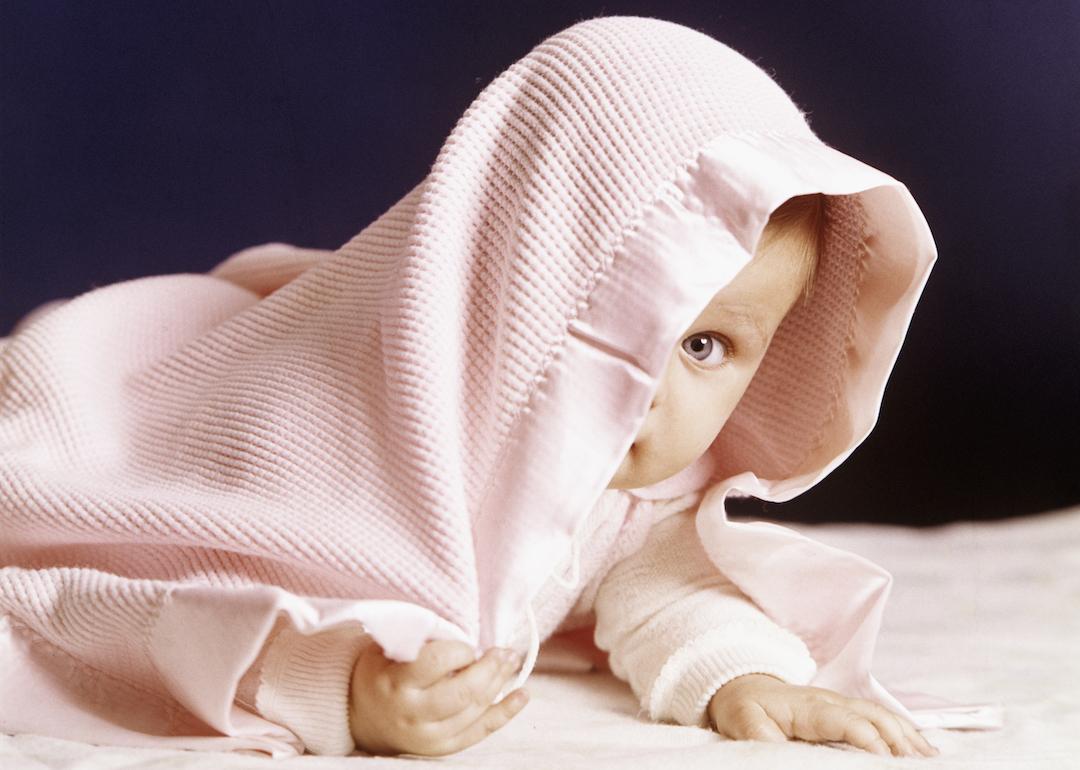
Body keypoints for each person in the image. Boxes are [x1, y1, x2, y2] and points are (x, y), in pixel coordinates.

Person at [0, 15, 988, 760]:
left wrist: (746, 675)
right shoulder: (347, 454)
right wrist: (342, 683)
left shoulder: (631, 497)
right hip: (136, 409)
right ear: (504, 295)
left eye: (706, 347)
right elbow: (136, 605)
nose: (650, 387)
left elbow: (661, 588)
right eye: (622, 329)